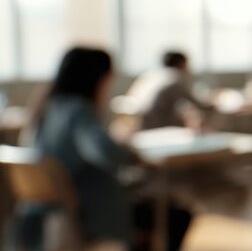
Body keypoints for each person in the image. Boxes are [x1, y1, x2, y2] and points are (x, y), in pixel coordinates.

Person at [16, 47, 191, 250]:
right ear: (96, 77)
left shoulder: (46, 105)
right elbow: (106, 153)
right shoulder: (79, 109)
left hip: (43, 208)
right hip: (84, 207)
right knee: (174, 215)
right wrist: (124, 147)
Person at [127, 51, 212, 130]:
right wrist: (213, 102)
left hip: (135, 123)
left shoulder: (152, 75)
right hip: (155, 126)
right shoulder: (175, 78)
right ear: (182, 63)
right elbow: (196, 103)